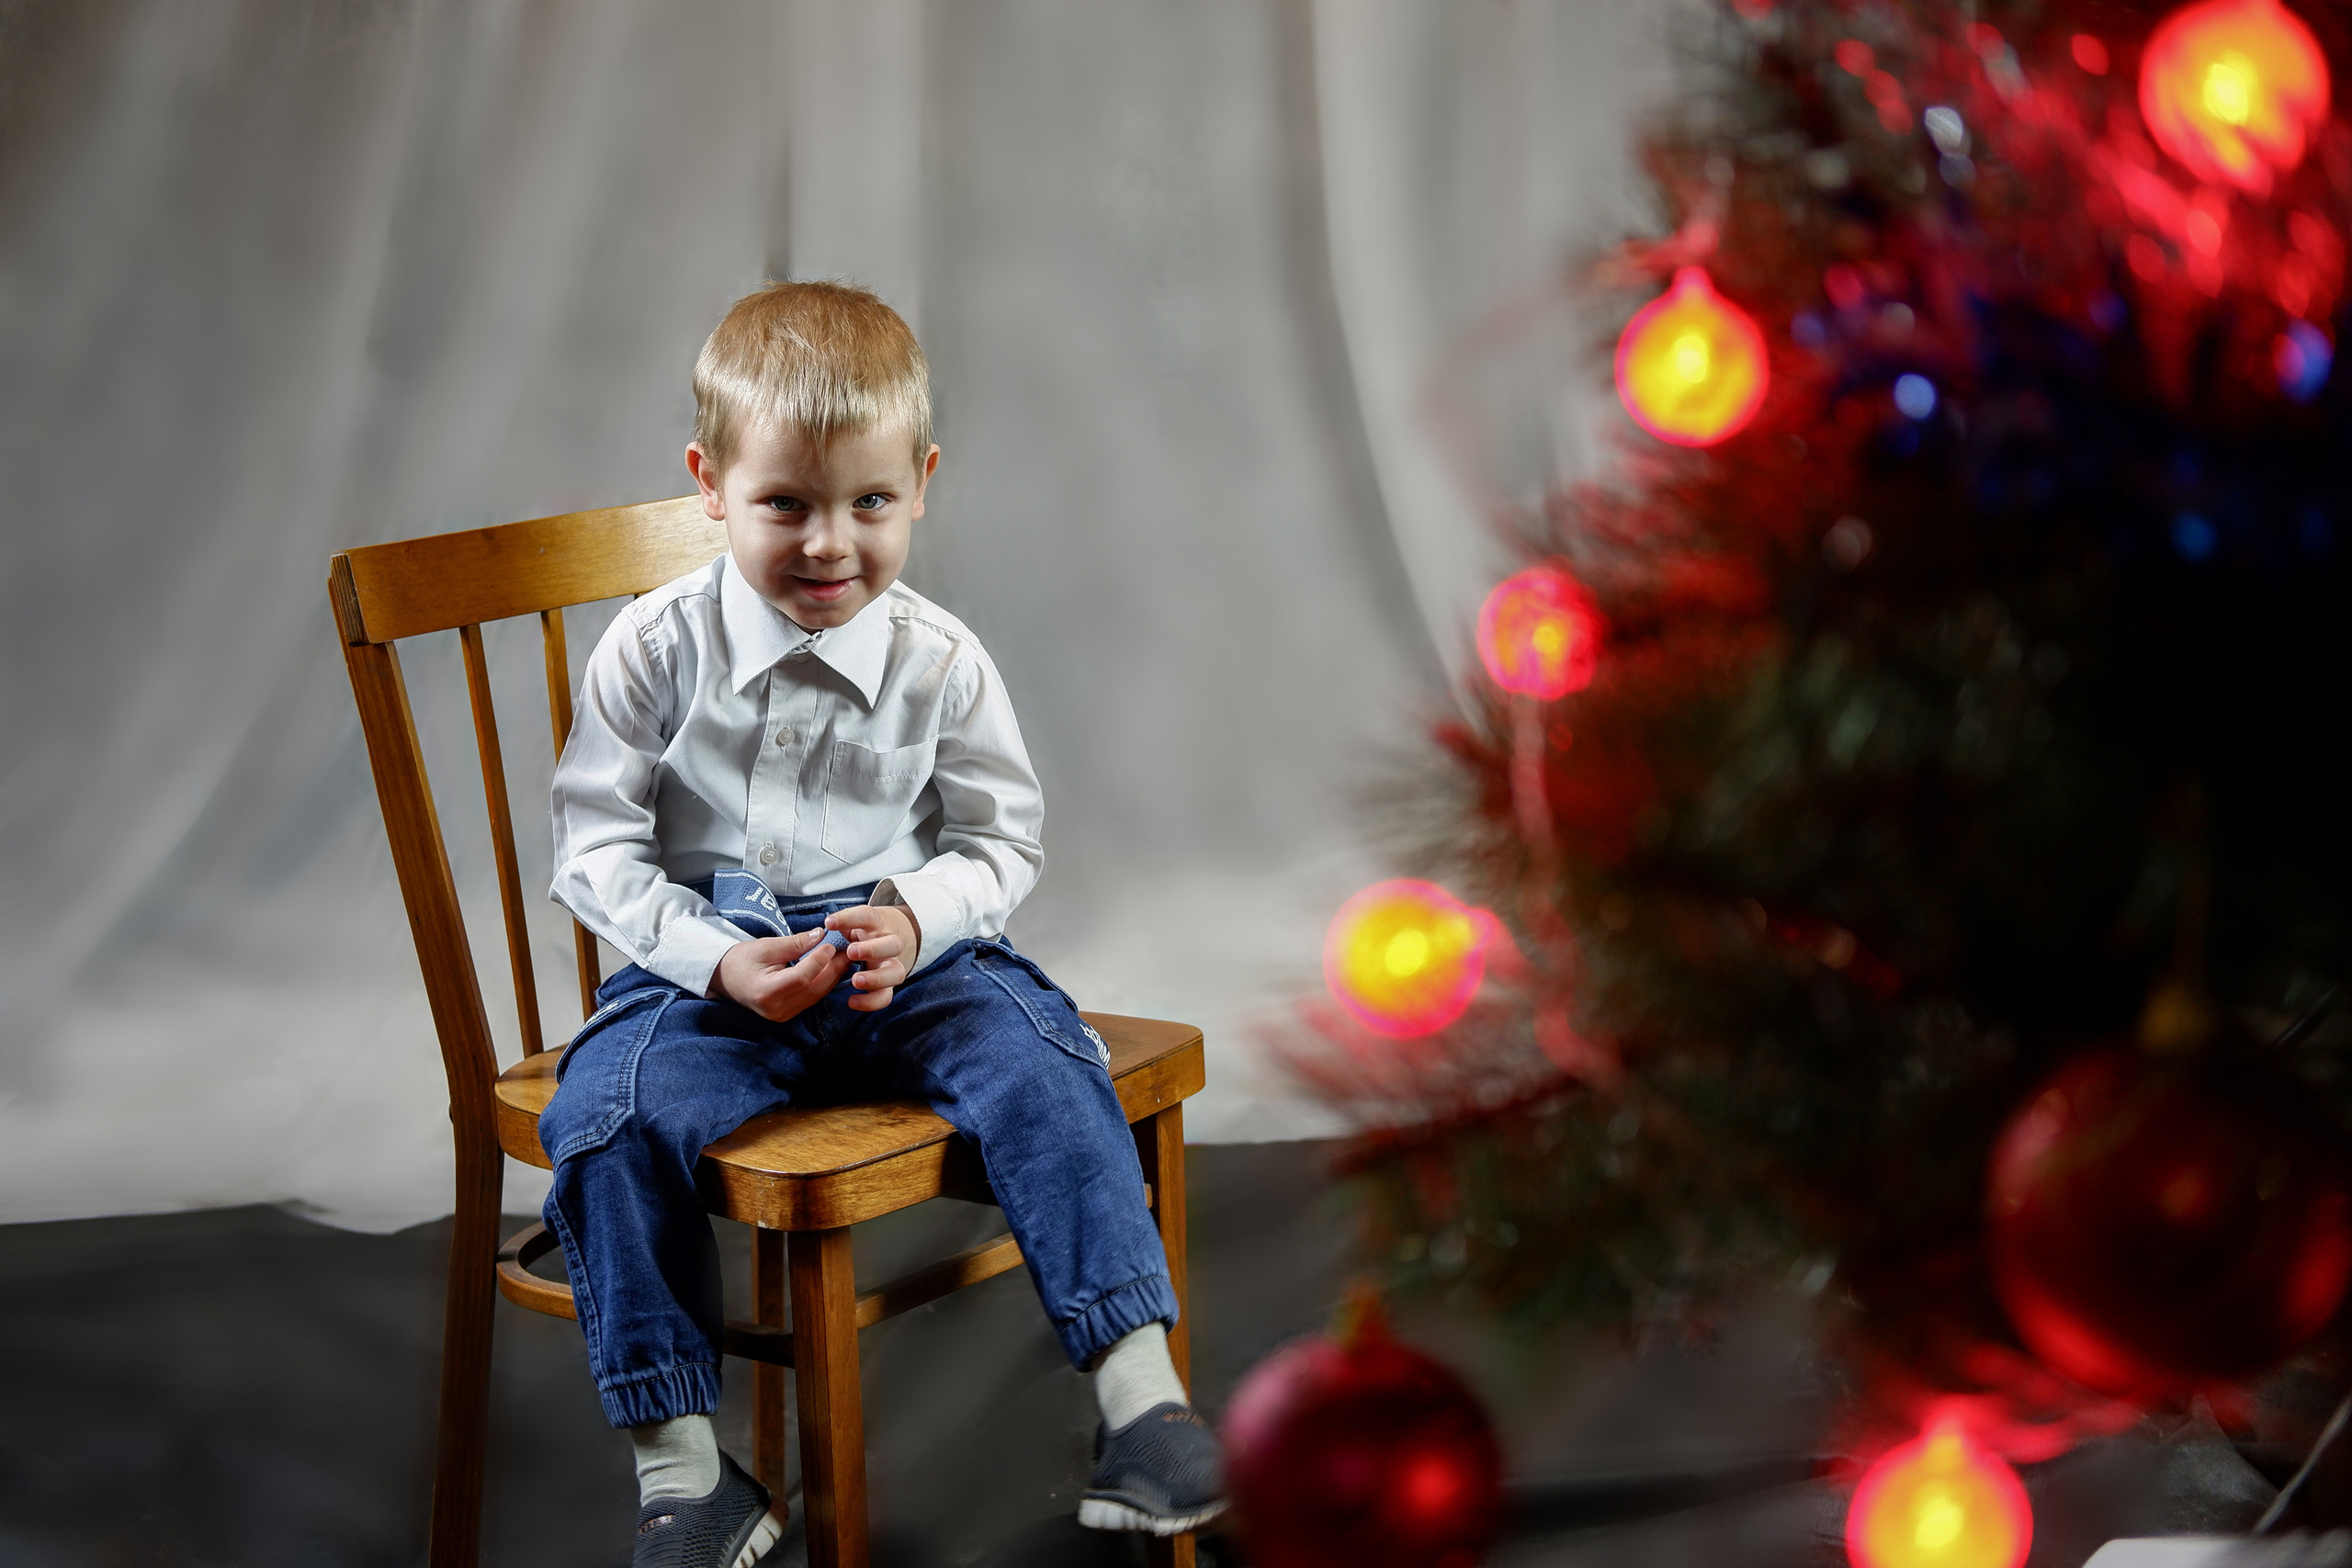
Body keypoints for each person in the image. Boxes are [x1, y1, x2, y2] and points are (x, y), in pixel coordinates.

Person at [539, 280, 1222, 1568]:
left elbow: (1005, 838)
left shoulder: (941, 659)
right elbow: (596, 850)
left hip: (906, 957)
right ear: (710, 483)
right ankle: (685, 1473)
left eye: (870, 502)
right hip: (709, 973)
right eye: (784, 504)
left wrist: (917, 916)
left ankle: (1141, 1402)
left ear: (922, 484)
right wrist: (717, 959)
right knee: (607, 1120)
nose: (829, 545)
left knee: (1044, 1059)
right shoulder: (653, 647)